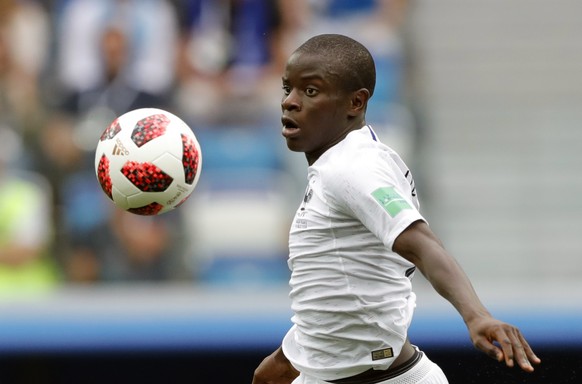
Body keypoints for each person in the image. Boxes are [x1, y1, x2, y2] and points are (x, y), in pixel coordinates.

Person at [252, 34, 541, 384]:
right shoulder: (337, 165)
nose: (290, 102)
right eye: (288, 89)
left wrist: (476, 315)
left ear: (355, 103)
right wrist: (286, 360)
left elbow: (423, 243)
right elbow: (336, 288)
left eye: (310, 91)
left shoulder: (354, 168)